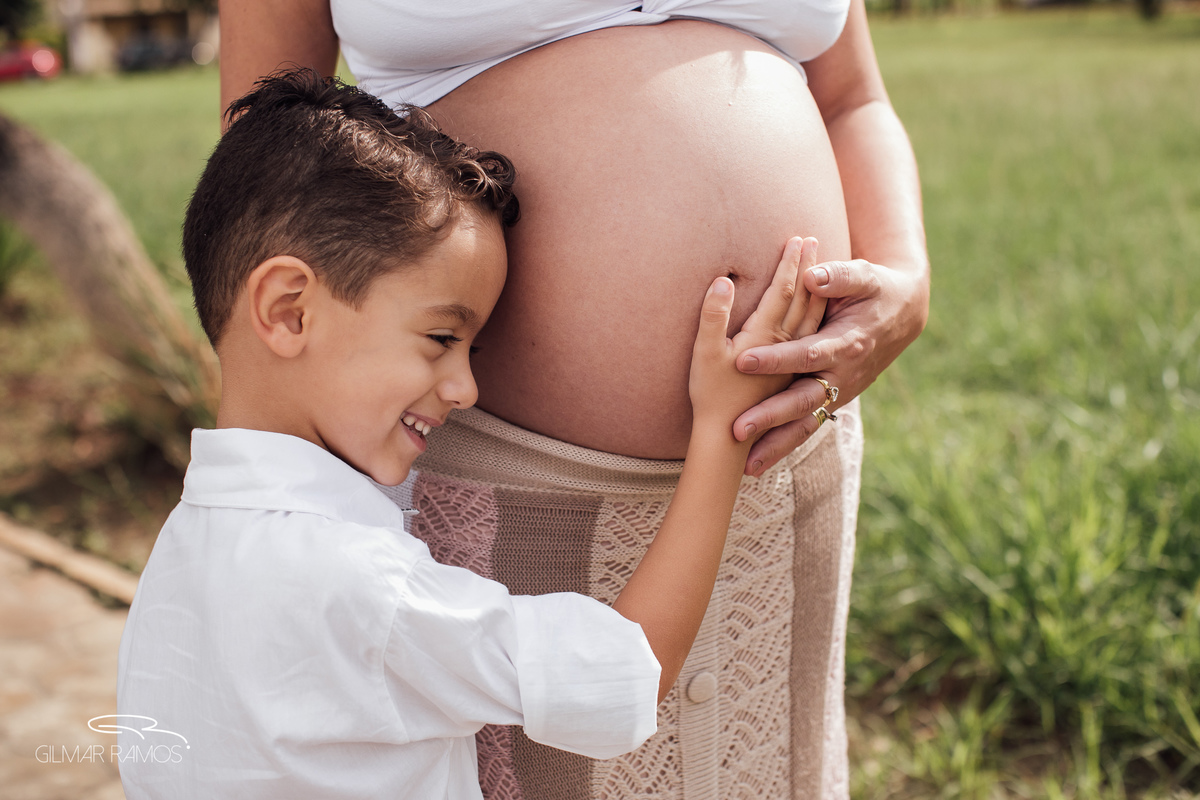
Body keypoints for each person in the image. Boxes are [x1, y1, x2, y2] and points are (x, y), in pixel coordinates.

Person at [220, 2, 930, 797]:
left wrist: (907, 280)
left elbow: (853, 98)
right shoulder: (348, 588)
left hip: (786, 464)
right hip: (503, 476)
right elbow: (264, 160)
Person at [116, 70, 829, 800]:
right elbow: (624, 673)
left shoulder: (178, 555)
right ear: (290, 310)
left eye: (472, 350)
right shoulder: (364, 587)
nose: (464, 389)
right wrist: (719, 432)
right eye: (439, 337)